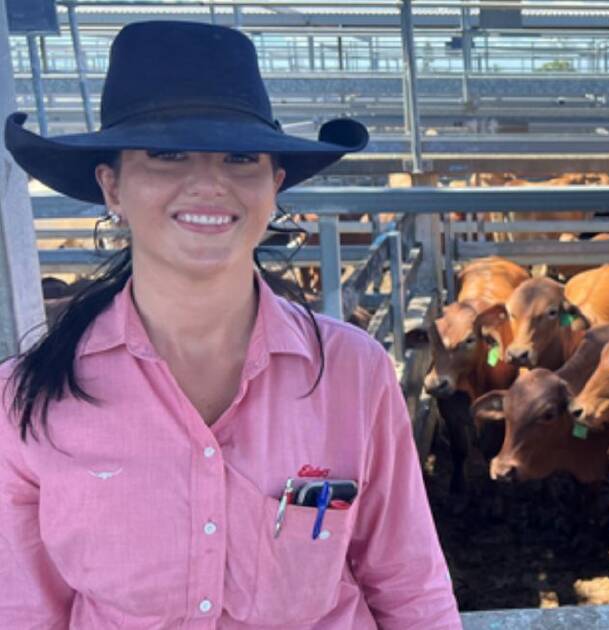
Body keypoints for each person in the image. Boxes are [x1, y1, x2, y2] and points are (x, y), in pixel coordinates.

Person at [0, 21, 460, 628]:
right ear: (111, 186)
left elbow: (410, 585)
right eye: (167, 155)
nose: (209, 184)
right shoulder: (25, 401)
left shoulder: (355, 373)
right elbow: (24, 609)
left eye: (241, 158)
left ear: (275, 187)